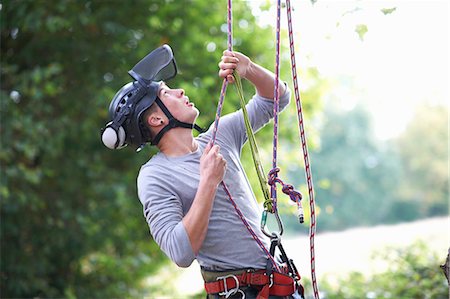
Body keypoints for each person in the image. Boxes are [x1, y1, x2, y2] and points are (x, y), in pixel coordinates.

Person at [103, 45, 302, 298]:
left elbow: (277, 98)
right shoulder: (154, 176)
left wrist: (249, 69)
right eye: (167, 93)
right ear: (156, 120)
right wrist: (208, 181)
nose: (180, 91)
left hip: (277, 286)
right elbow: (180, 252)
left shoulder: (222, 135)